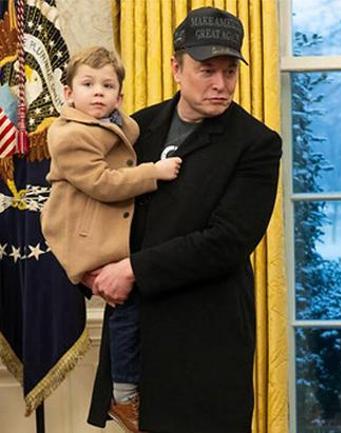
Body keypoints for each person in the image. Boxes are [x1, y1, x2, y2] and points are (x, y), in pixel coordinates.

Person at [82, 7, 282, 433]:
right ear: (176, 68)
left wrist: (131, 270)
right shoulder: (138, 128)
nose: (221, 84)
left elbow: (226, 242)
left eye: (230, 71)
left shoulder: (257, 144)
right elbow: (101, 202)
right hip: (137, 341)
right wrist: (89, 268)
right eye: (207, 70)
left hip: (206, 342)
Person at [41, 46, 182, 433]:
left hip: (103, 231)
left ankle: (137, 387)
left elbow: (127, 135)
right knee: (126, 309)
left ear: (120, 96)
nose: (98, 93)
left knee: (137, 308)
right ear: (68, 93)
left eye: (107, 86)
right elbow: (103, 183)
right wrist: (153, 172)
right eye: (87, 84)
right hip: (82, 234)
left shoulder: (116, 124)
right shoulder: (69, 135)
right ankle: (123, 394)